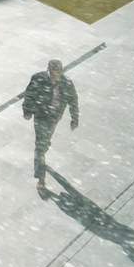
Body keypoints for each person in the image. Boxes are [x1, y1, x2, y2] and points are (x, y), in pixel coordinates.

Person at [22, 59, 79, 192]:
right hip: (41, 116)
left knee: (45, 141)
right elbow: (29, 95)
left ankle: (42, 151)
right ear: (48, 69)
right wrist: (27, 111)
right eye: (53, 75)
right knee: (40, 146)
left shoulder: (66, 82)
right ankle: (41, 178)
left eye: (58, 75)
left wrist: (74, 119)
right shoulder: (38, 78)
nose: (55, 78)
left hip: (54, 117)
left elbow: (73, 100)